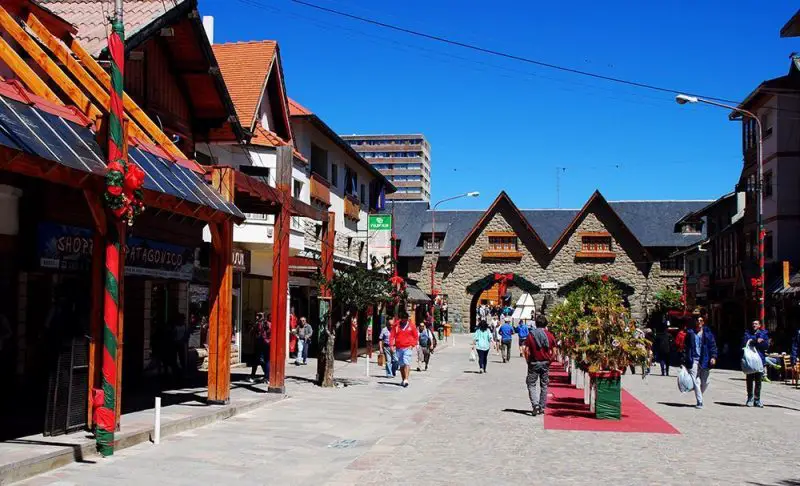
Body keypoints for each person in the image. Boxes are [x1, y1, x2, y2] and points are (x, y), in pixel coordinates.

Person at [683, 316, 718, 409]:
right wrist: (685, 358)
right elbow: (686, 347)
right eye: (697, 320)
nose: (699, 322)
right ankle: (700, 401)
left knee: (705, 382)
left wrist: (713, 356)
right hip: (693, 359)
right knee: (696, 380)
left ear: (703, 322)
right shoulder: (690, 333)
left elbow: (713, 346)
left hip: (705, 360)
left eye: (701, 320)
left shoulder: (708, 334)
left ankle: (699, 396)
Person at [524, 315, 556, 416]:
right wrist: (550, 361)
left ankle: (535, 405)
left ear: (536, 324)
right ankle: (542, 407)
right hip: (545, 362)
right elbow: (555, 352)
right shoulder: (550, 335)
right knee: (544, 385)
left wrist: (527, 360)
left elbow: (526, 350)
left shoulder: (531, 335)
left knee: (531, 384)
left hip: (534, 362)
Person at [742, 320, 770, 407]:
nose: (754, 325)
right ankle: (750, 398)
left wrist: (758, 342)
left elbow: (766, 345)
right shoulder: (747, 333)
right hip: (750, 359)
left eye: (756, 324)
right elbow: (745, 342)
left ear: (759, 325)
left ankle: (757, 399)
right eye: (753, 324)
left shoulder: (763, 334)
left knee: (758, 381)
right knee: (749, 379)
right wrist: (756, 340)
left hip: (760, 359)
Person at [390, 311, 419, 387]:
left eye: (405, 319)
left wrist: (412, 345)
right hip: (399, 348)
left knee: (406, 362)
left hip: (408, 347)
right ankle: (403, 379)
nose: (404, 320)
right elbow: (392, 336)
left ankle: (406, 379)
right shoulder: (396, 326)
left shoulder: (411, 326)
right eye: (403, 319)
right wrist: (391, 346)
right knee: (401, 365)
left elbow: (416, 337)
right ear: (401, 319)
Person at [249, 312, 271, 384]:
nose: (256, 317)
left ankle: (255, 376)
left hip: (260, 343)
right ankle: (267, 377)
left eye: (258, 316)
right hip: (267, 343)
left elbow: (252, 332)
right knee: (265, 360)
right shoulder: (268, 323)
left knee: (258, 360)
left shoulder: (258, 324)